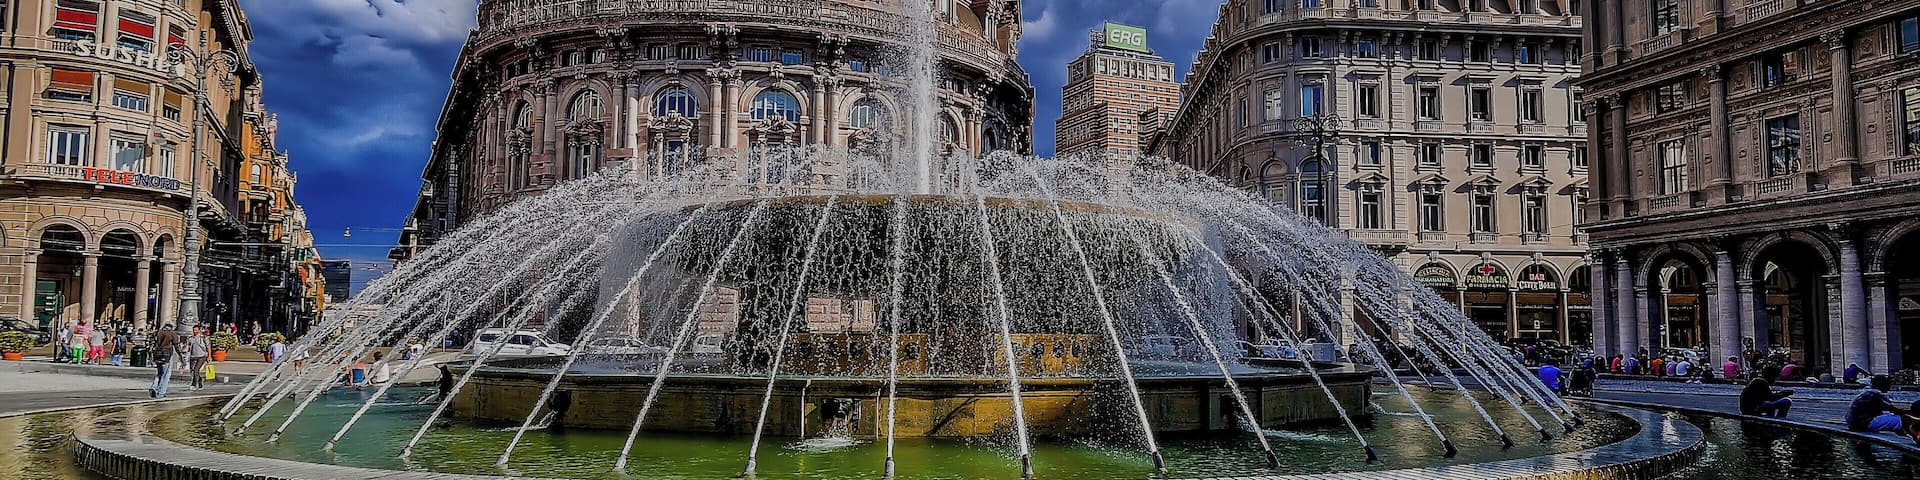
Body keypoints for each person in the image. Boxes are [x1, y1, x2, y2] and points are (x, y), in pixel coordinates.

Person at [149, 325, 181, 399]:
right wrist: (180, 356)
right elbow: (176, 345)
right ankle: (161, 392)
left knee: (159, 373)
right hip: (167, 354)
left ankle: (154, 386)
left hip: (157, 354)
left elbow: (153, 342)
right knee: (166, 374)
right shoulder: (172, 333)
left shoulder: (159, 332)